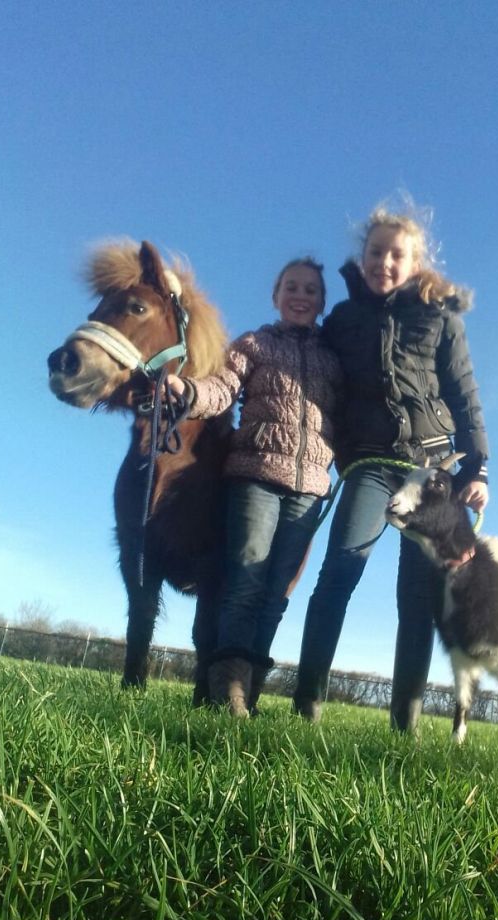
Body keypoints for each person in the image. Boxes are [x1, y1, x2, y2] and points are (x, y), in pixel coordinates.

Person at [292, 205, 489, 731]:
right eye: (375, 252)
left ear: (415, 261)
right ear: (363, 256)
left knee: (419, 597)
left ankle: (405, 722)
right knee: (339, 571)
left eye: (396, 254)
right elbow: (320, 384)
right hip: (371, 468)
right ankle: (305, 703)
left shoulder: (439, 317)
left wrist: (479, 469)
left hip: (431, 471)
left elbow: (463, 394)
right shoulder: (342, 321)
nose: (384, 262)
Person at [166, 257, 343, 715]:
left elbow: (346, 418)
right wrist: (189, 394)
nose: (300, 296)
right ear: (276, 296)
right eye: (291, 287)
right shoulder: (254, 343)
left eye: (310, 290)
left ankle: (250, 690)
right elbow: (222, 388)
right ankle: (227, 690)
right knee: (245, 579)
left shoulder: (333, 358)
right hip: (256, 477)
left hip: (308, 490)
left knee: (276, 595)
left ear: (322, 302)